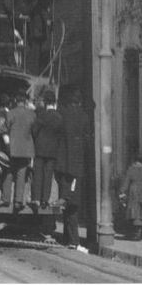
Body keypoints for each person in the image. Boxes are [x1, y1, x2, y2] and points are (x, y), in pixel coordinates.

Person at [55, 91, 90, 250]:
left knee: (66, 202)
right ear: (79, 102)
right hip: (77, 166)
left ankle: (66, 237)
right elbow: (87, 139)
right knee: (74, 204)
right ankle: (74, 240)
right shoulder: (84, 117)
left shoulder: (62, 115)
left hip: (62, 165)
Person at [1, 91, 36, 212]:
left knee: (8, 172)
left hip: (12, 148)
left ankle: (6, 198)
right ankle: (18, 201)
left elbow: (4, 130)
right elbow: (34, 131)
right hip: (26, 149)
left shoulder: (10, 113)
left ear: (15, 101)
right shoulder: (32, 114)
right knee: (21, 174)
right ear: (26, 101)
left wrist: (7, 145)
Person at [31, 90, 64, 209]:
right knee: (48, 175)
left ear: (45, 102)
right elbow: (60, 135)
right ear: (54, 102)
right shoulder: (59, 117)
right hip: (52, 151)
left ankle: (36, 199)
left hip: (39, 149)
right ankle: (45, 200)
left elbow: (34, 131)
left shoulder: (41, 115)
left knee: (38, 174)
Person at [119, 154, 142, 241]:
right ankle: (139, 232)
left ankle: (136, 233)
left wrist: (122, 191)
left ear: (135, 160)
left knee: (135, 211)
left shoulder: (131, 168)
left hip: (133, 190)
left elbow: (126, 181)